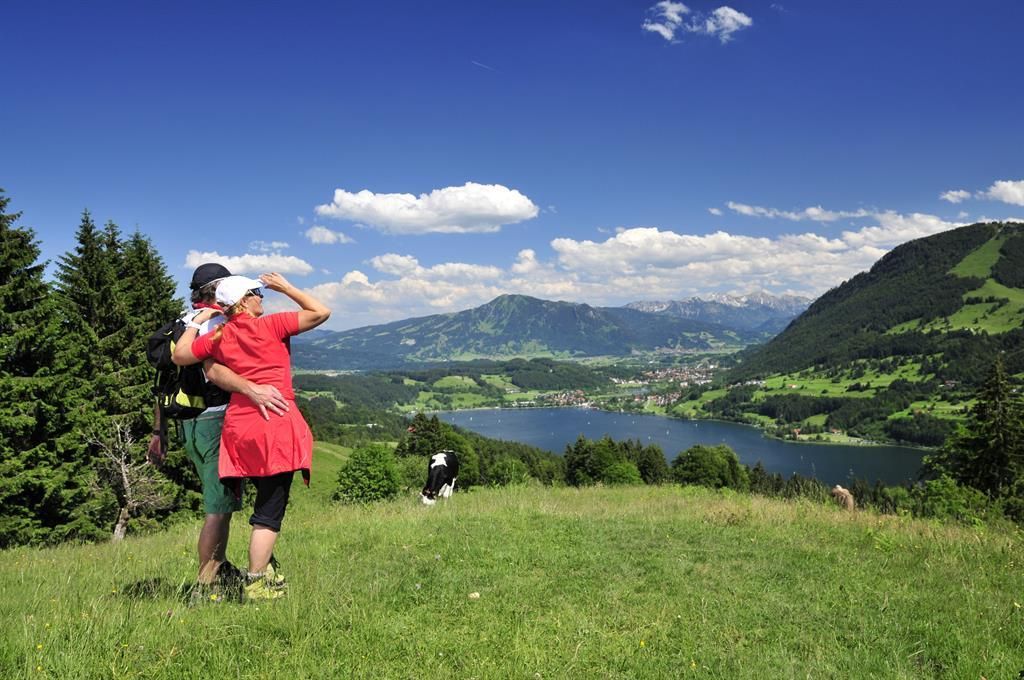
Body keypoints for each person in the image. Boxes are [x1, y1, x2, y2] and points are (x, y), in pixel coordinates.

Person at [172, 272, 330, 600]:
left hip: (239, 431)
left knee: (240, 506)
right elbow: (320, 311)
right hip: (275, 427)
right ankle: (258, 582)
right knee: (268, 514)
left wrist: (198, 321)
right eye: (257, 292)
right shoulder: (271, 326)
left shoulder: (219, 336)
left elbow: (181, 355)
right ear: (244, 300)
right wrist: (285, 287)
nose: (262, 296)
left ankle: (221, 580)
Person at [147, 263, 290, 598]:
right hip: (215, 422)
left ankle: (232, 571)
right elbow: (214, 373)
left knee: (225, 503)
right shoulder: (216, 322)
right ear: (218, 289)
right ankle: (206, 586)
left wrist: (159, 431)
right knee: (219, 510)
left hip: (189, 426)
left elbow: (161, 383)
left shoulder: (183, 322)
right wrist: (254, 390)